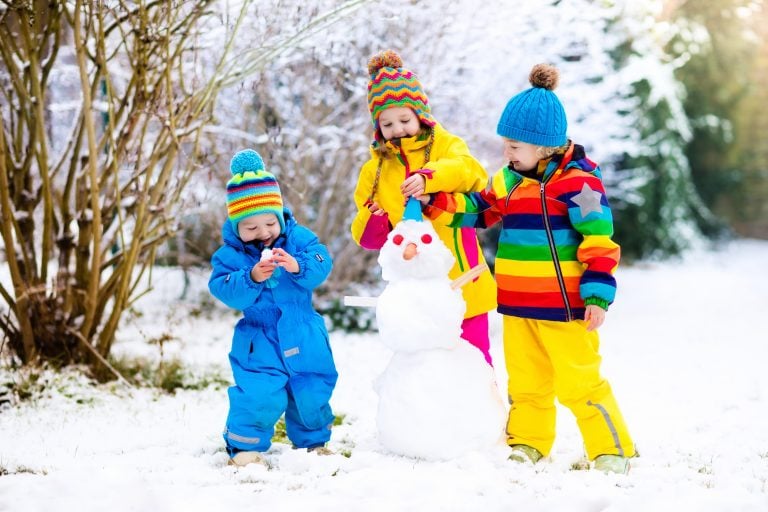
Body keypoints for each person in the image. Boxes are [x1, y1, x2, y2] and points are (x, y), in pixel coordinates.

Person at [419, 64, 636, 474]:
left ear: (544, 146)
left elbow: (600, 242)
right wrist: (436, 203)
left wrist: (597, 295)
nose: (507, 151)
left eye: (514, 144)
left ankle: (611, 448)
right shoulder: (507, 181)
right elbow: (478, 211)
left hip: (567, 308)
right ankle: (530, 442)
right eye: (506, 143)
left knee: (579, 382)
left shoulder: (580, 185)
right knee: (527, 382)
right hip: (518, 306)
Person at [350, 49, 497, 365]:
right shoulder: (373, 171)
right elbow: (366, 236)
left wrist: (430, 177)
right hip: (414, 296)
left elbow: (472, 172)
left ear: (420, 114)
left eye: (404, 119)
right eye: (387, 124)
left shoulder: (445, 144)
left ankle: (481, 415)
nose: (397, 129)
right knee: (423, 368)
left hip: (462, 282)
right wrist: (375, 220)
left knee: (473, 362)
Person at [209, 149, 338, 467]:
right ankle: (245, 447)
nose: (263, 232)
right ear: (236, 227)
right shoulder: (231, 256)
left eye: (270, 222)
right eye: (250, 227)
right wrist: (251, 277)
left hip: (304, 330)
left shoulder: (299, 240)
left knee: (312, 386)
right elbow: (223, 288)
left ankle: (313, 442)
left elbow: (322, 261)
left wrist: (297, 266)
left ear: (280, 216)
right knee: (259, 392)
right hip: (259, 337)